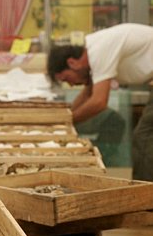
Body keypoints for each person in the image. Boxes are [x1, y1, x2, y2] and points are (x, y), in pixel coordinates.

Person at [48, 23, 153, 181]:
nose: (70, 84)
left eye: (66, 78)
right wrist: (63, 120)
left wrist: (67, 121)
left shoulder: (99, 51)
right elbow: (87, 93)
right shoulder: (94, 50)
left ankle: (145, 196)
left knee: (144, 138)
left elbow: (98, 102)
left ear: (72, 63)